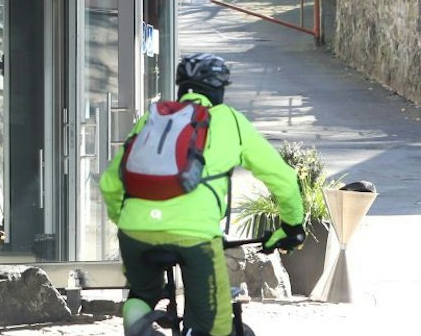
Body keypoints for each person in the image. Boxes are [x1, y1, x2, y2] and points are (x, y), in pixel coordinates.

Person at [102, 52, 306, 336]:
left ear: (181, 87)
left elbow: (110, 183)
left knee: (141, 293)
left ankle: (137, 326)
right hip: (195, 236)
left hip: (134, 232)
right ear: (219, 90)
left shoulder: (153, 118)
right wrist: (292, 227)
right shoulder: (229, 120)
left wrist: (127, 221)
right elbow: (282, 178)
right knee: (214, 327)